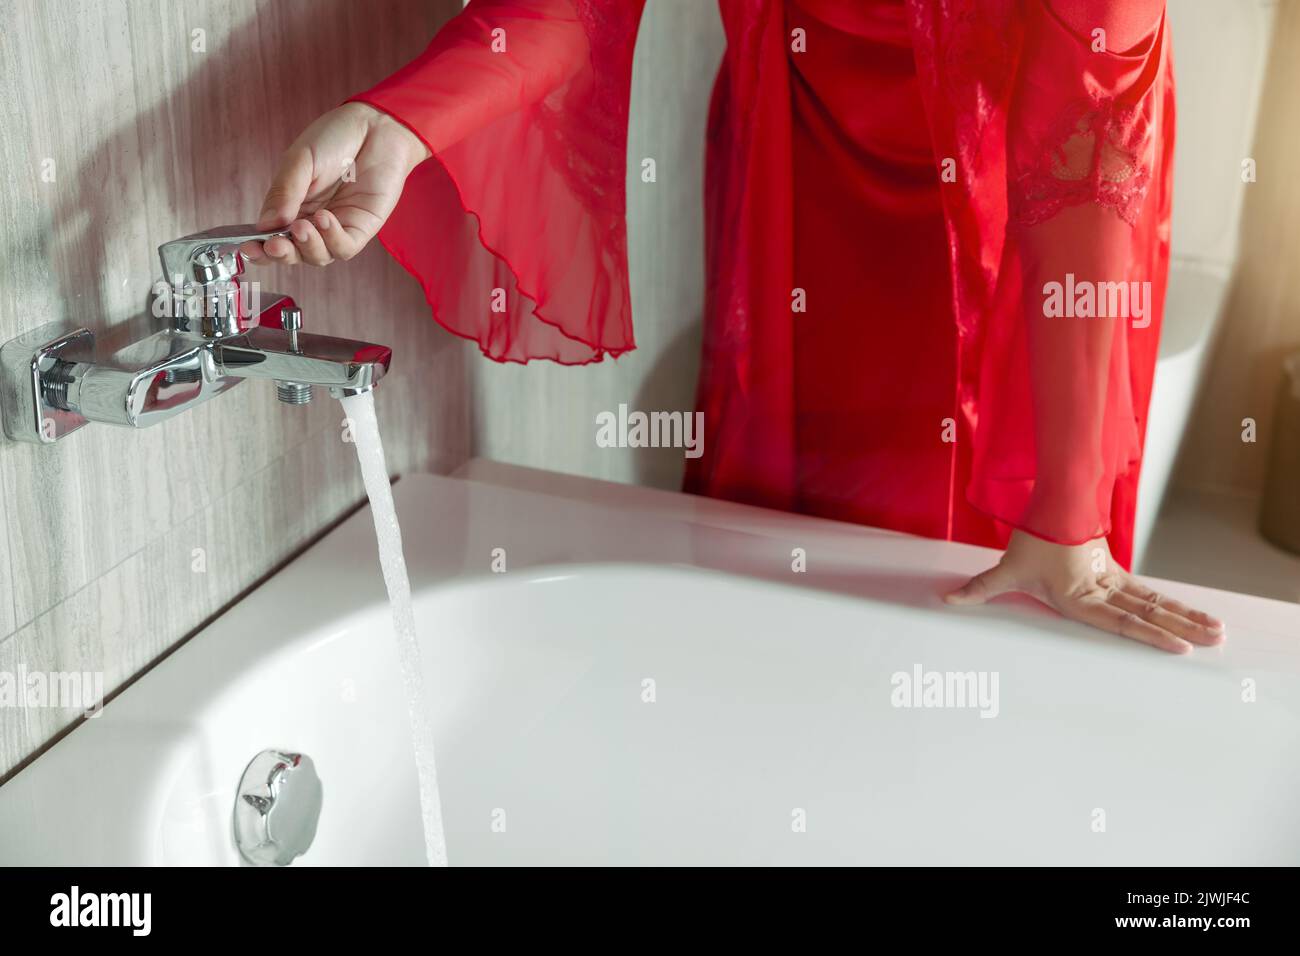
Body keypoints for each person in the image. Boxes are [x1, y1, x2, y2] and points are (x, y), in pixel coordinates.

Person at [241, 0, 1226, 653]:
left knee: (986, 558)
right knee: (783, 518)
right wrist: (405, 121)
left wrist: (1066, 514)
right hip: (799, 144)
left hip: (1021, 193)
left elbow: (1089, 155)